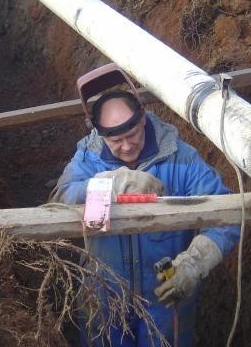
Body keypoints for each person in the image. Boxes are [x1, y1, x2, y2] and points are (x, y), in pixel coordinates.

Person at [51, 64, 240, 347]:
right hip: (104, 295)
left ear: (143, 120)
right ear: (101, 135)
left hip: (165, 296)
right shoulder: (88, 159)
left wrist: (193, 265)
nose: (126, 147)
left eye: (132, 136)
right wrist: (113, 183)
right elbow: (59, 199)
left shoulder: (180, 159)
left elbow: (225, 214)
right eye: (116, 141)